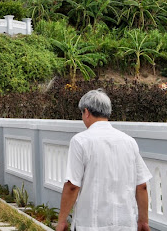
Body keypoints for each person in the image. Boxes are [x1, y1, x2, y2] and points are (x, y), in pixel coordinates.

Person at [56, 89, 151, 231]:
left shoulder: (81, 141)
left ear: (86, 112)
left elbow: (72, 186)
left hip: (91, 224)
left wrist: (62, 220)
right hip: (125, 224)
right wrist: (143, 221)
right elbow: (142, 185)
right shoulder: (129, 141)